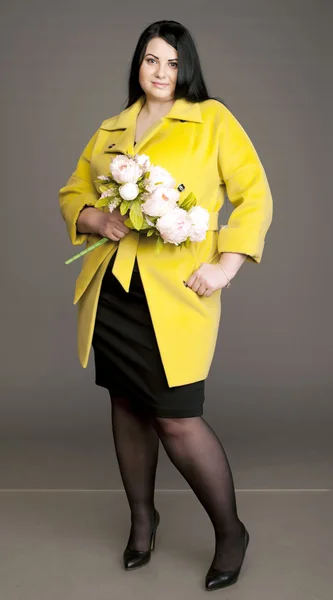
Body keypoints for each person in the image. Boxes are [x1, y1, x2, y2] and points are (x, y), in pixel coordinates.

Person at [59, 20, 273, 591]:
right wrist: (92, 217)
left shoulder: (213, 121)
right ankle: (142, 521)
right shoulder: (112, 127)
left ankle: (231, 532)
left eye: (172, 62)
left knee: (177, 419)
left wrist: (225, 266)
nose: (160, 72)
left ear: (187, 68)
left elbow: (255, 195)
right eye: (151, 60)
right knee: (127, 404)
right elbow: (73, 190)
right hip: (115, 291)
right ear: (138, 64)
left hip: (177, 294)